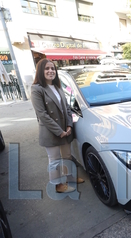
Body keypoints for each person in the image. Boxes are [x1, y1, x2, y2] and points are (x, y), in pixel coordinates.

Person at [31, 58, 84, 193]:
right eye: (47, 68)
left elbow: (66, 108)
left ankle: (70, 178)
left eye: (52, 68)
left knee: (67, 156)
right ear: (40, 71)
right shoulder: (37, 89)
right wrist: (59, 131)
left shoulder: (57, 86)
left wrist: (69, 126)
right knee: (54, 160)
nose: (50, 71)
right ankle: (58, 185)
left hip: (65, 130)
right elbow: (42, 114)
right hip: (51, 131)